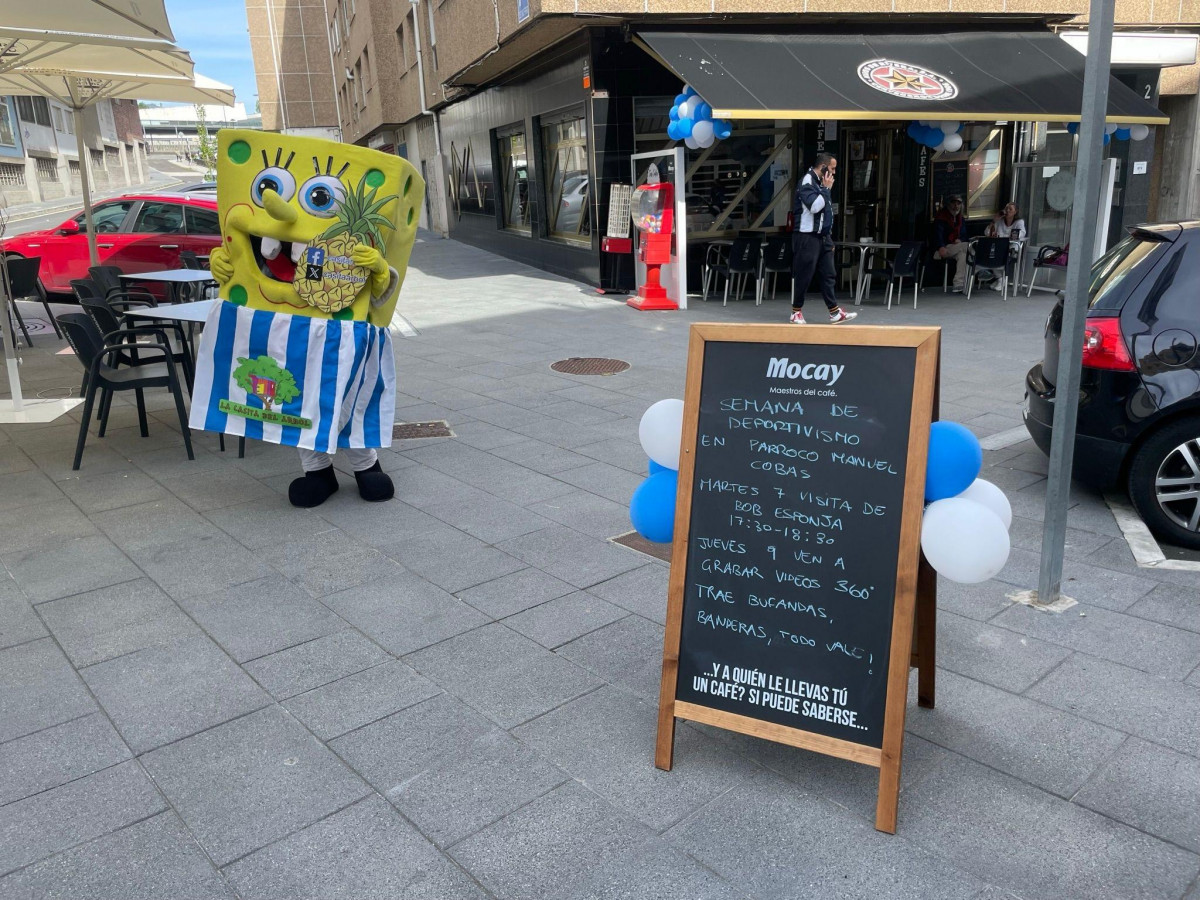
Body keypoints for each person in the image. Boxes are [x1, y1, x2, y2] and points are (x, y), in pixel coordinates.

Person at [790, 152, 857, 325]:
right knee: (804, 274)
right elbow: (814, 207)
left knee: (829, 273)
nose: (834, 172)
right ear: (823, 167)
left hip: (822, 236)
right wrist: (826, 190)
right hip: (807, 236)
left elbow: (825, 211)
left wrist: (828, 237)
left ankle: (834, 312)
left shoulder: (821, 182)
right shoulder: (807, 181)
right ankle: (796, 311)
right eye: (832, 168)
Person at [982, 201, 1026, 290]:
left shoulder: (1019, 222)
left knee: (999, 256)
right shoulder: (1000, 221)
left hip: (1012, 248)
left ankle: (1001, 279)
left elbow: (1021, 233)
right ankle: (1000, 278)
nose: (1007, 211)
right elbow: (986, 233)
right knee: (989, 255)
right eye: (1006, 208)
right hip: (999, 247)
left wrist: (1007, 236)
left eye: (1010, 209)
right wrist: (994, 221)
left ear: (1015, 211)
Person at [933, 195, 969, 293]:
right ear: (949, 204)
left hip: (958, 247)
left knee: (963, 255)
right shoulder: (941, 218)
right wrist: (940, 246)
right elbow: (937, 235)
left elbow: (964, 235)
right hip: (944, 248)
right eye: (954, 203)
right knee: (968, 246)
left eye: (959, 203)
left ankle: (958, 284)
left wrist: (960, 240)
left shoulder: (961, 219)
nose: (956, 206)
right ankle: (980, 268)